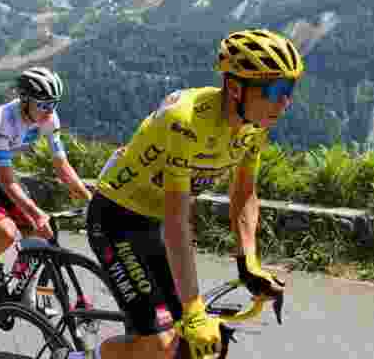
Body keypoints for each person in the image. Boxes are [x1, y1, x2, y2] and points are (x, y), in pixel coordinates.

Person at [77, 29, 301, 359]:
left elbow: (244, 194)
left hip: (154, 222)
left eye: (290, 89)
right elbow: (177, 220)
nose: (285, 102)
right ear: (236, 88)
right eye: (276, 90)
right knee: (161, 344)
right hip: (116, 218)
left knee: (198, 346)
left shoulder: (255, 124)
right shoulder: (186, 122)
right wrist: (193, 308)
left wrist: (248, 261)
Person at [0, 66, 92, 313]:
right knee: (6, 232)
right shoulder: (1, 122)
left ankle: (27, 290)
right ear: (25, 100)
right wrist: (37, 213)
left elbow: (62, 166)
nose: (49, 112)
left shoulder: (49, 119)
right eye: (43, 105)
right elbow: (7, 182)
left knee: (40, 237)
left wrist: (91, 199)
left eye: (54, 104)